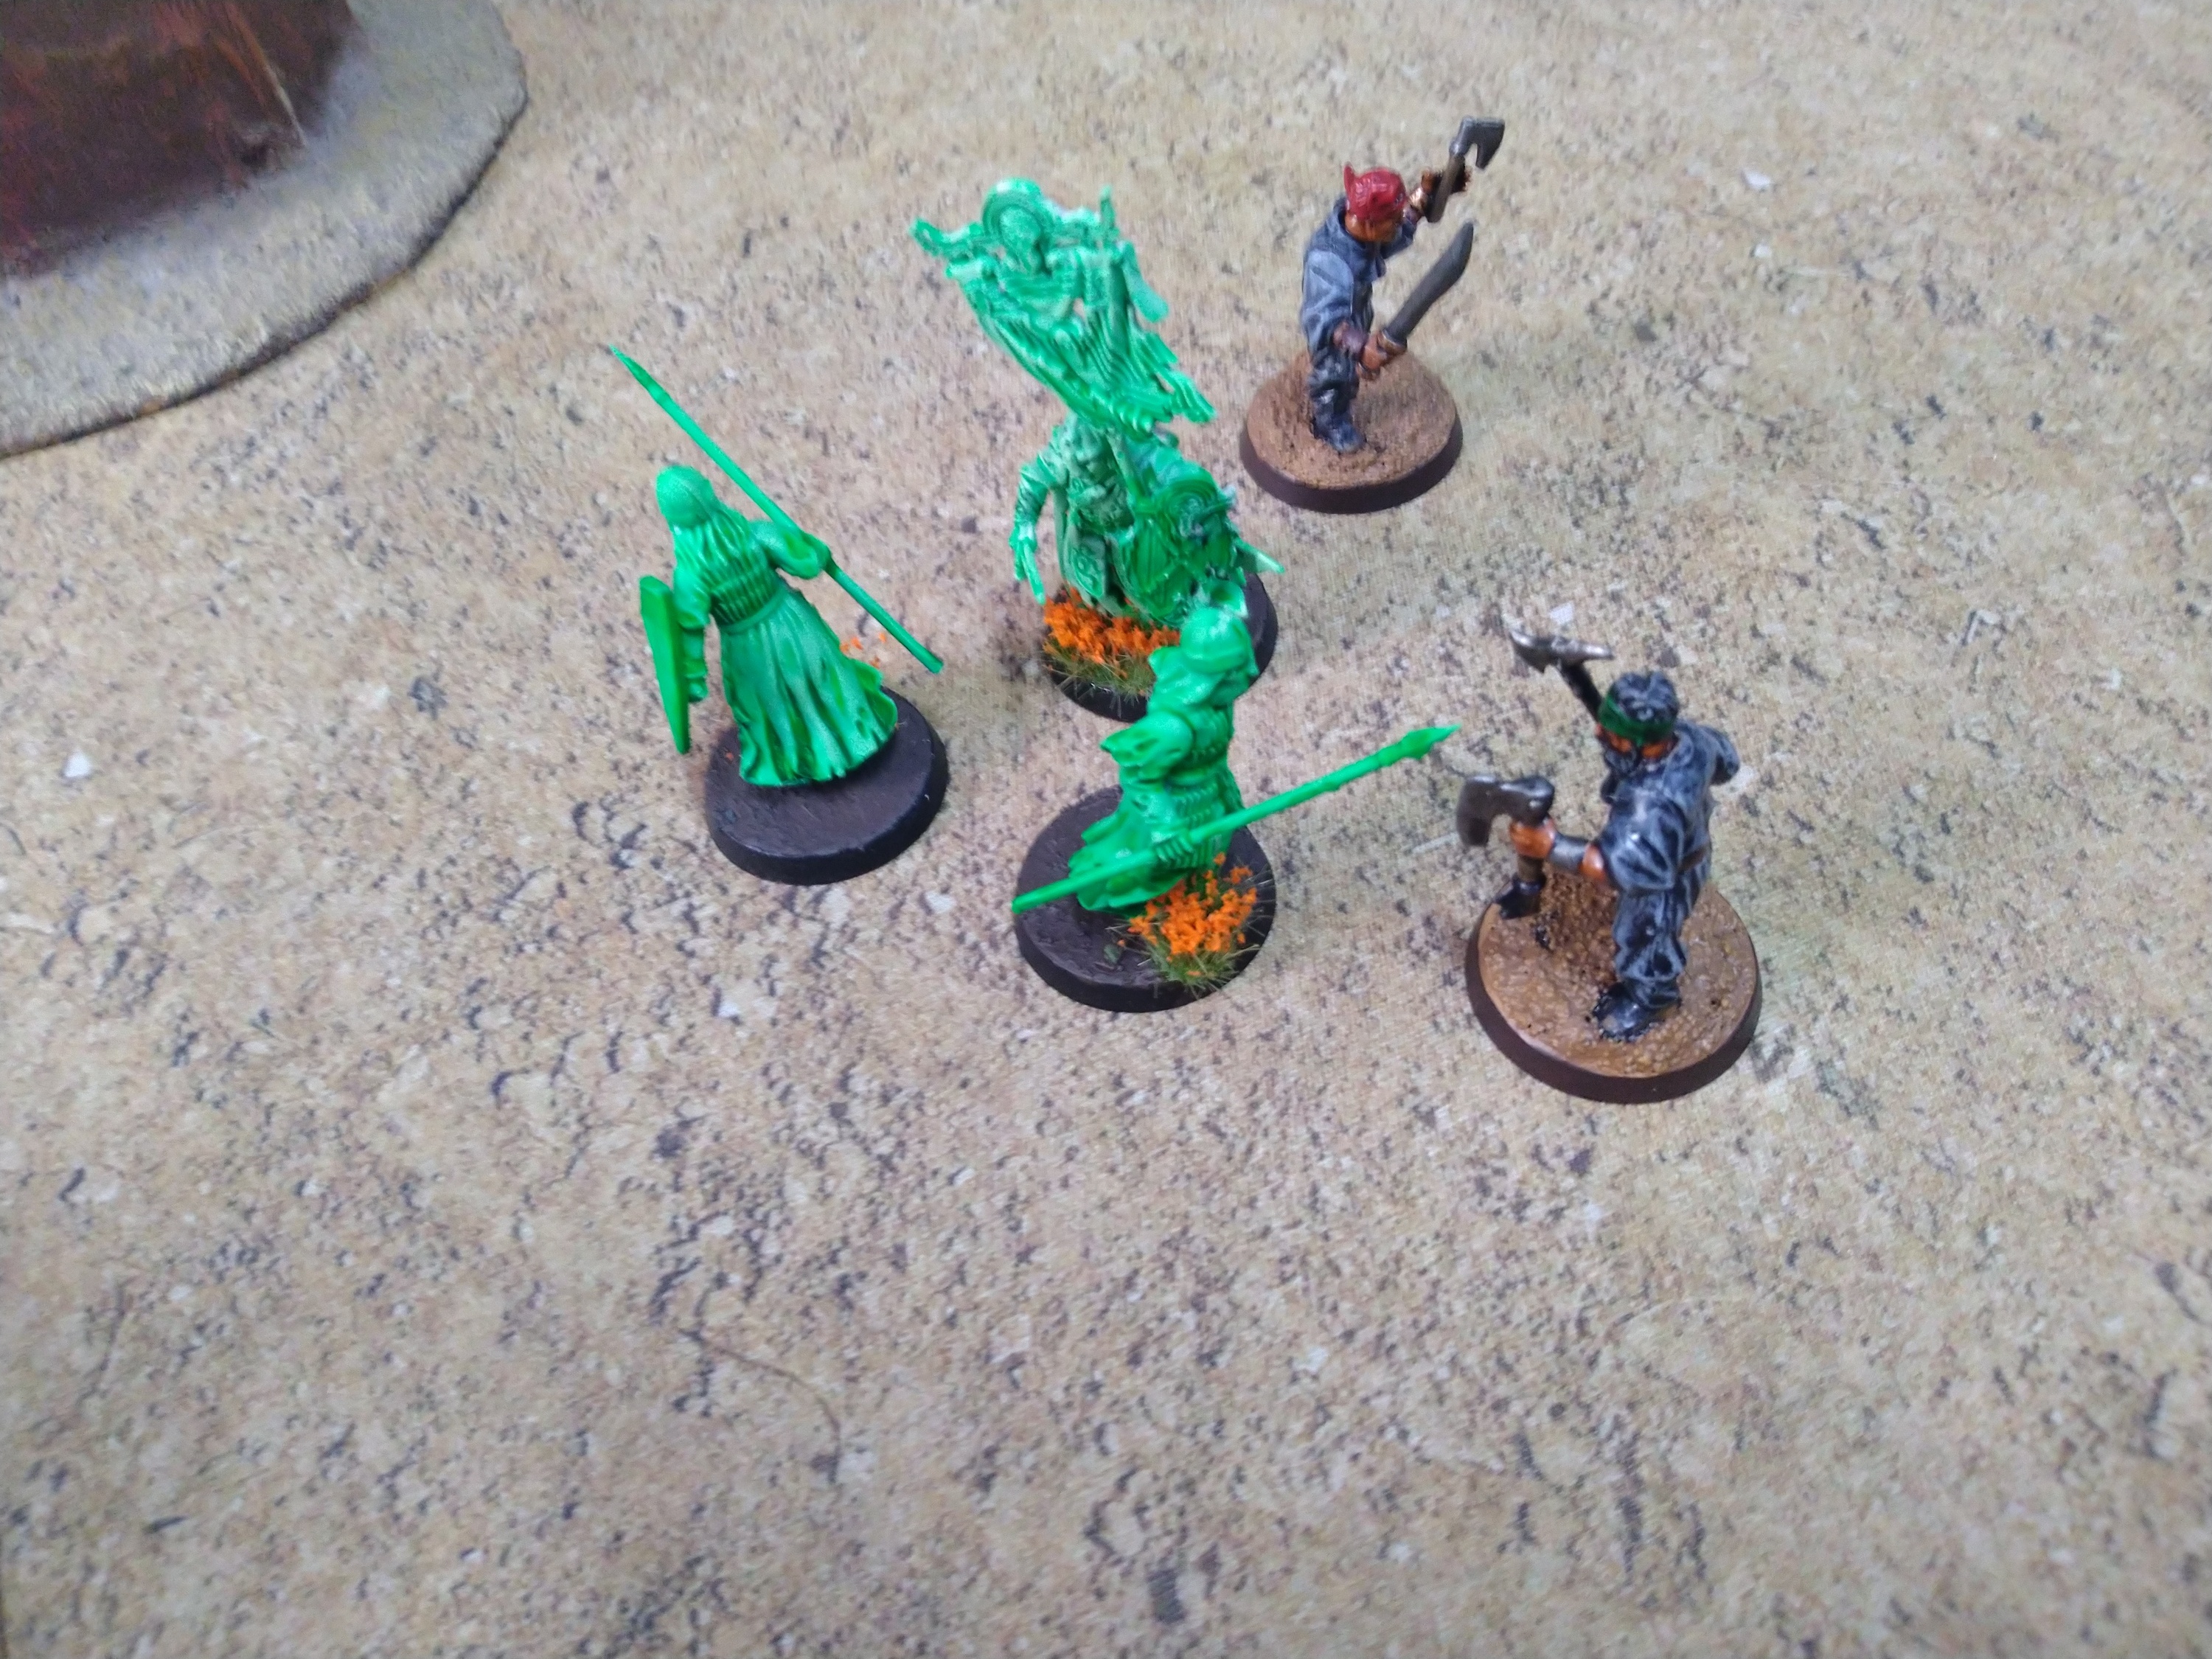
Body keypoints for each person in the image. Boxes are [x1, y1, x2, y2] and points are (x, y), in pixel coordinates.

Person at [1507, 672, 1740, 1040]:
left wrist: (1550, 847)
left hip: (1663, 880)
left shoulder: (1651, 805)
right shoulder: (1692, 738)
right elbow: (1728, 762)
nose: (1599, 734)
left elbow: (1620, 868)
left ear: (1644, 744)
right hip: (1687, 847)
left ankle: (1652, 1001)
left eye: (1612, 733)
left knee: (1644, 937)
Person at [653, 465, 896, 786]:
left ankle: (810, 757)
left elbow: (690, 629)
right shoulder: (757, 534)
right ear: (711, 494)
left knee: (780, 701)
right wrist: (802, 542)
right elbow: (808, 564)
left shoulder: (690, 575)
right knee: (816, 682)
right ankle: (847, 742)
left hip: (748, 646)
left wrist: (694, 678)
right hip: (791, 622)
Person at [1298, 163, 1461, 453]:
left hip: (1356, 313)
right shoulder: (1328, 263)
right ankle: (1330, 424)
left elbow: (1390, 237)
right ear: (1371, 224)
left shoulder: (1362, 231)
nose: (1398, 224)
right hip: (1335, 334)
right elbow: (1323, 319)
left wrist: (1421, 201)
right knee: (1336, 374)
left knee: (1350, 373)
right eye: (1393, 221)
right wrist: (1360, 345)